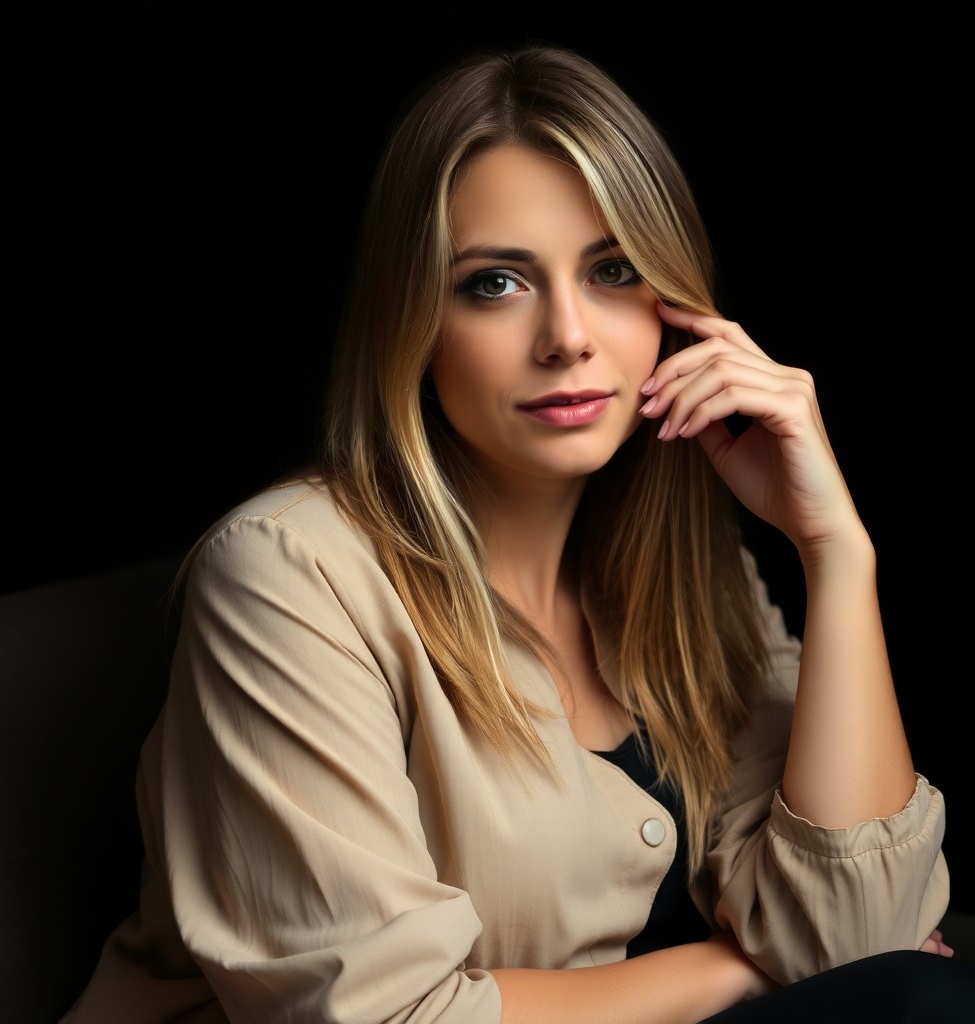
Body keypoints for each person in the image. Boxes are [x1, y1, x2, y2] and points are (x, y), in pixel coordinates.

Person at [61, 43, 975, 1023]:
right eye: (496, 282)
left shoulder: (685, 574)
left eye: (614, 270)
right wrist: (749, 967)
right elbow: (386, 1017)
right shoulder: (288, 576)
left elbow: (863, 922)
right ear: (410, 318)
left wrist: (836, 556)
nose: (569, 335)